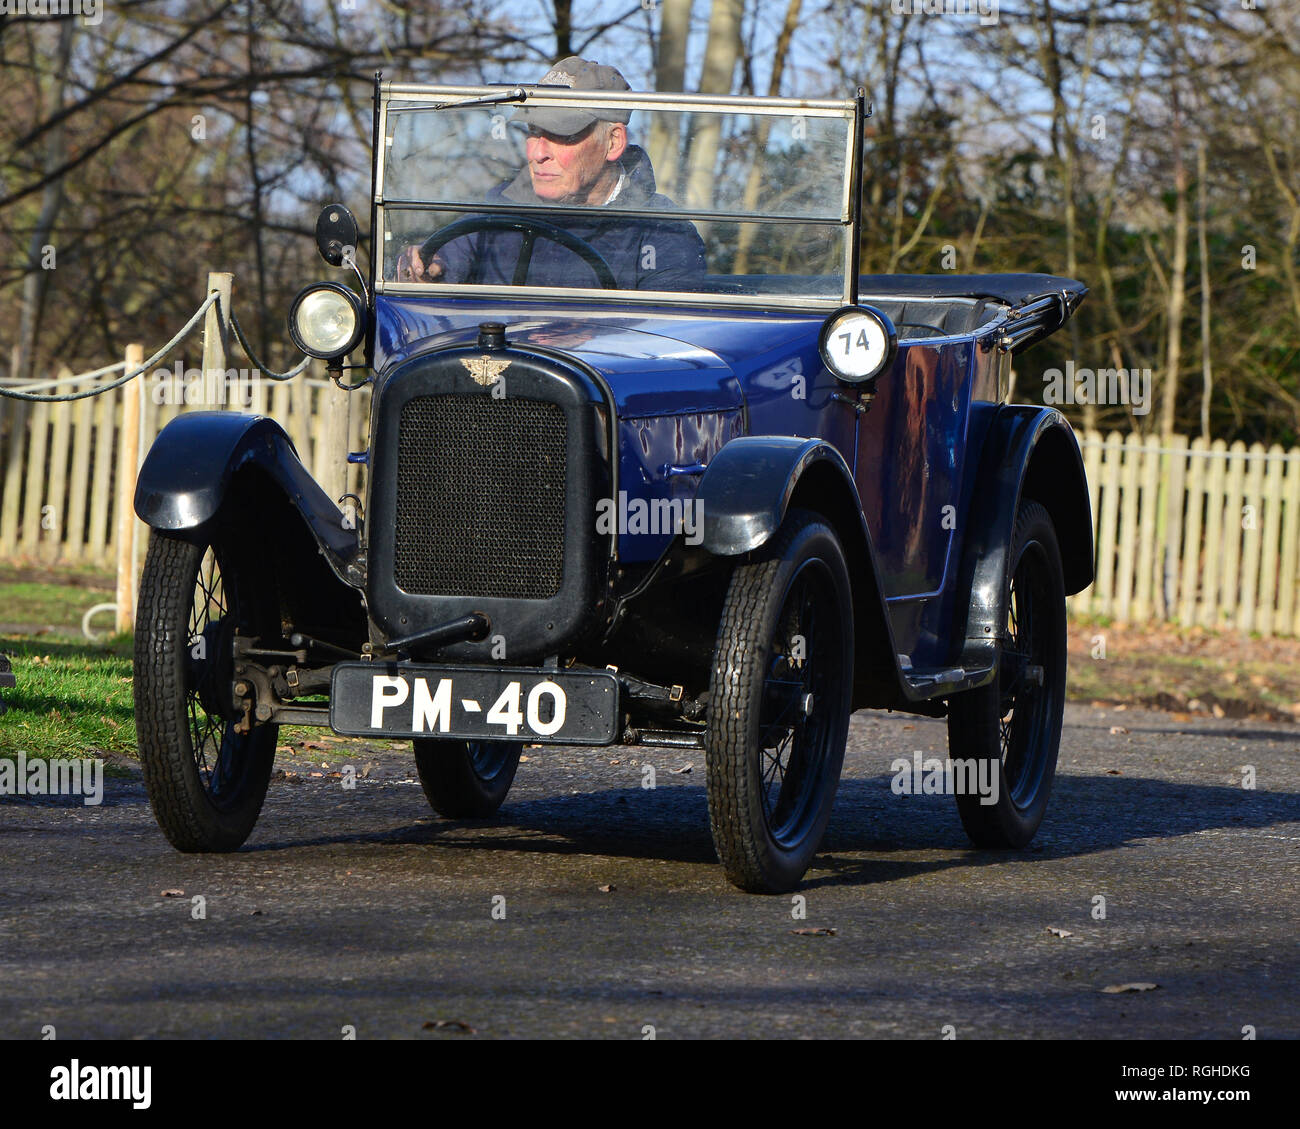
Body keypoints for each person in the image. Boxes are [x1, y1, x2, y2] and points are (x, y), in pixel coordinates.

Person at [394, 57, 705, 291]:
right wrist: (424, 266)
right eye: (533, 131)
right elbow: (441, 262)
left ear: (613, 142)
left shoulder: (663, 234)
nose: (537, 152)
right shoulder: (496, 212)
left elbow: (662, 348)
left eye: (563, 135)